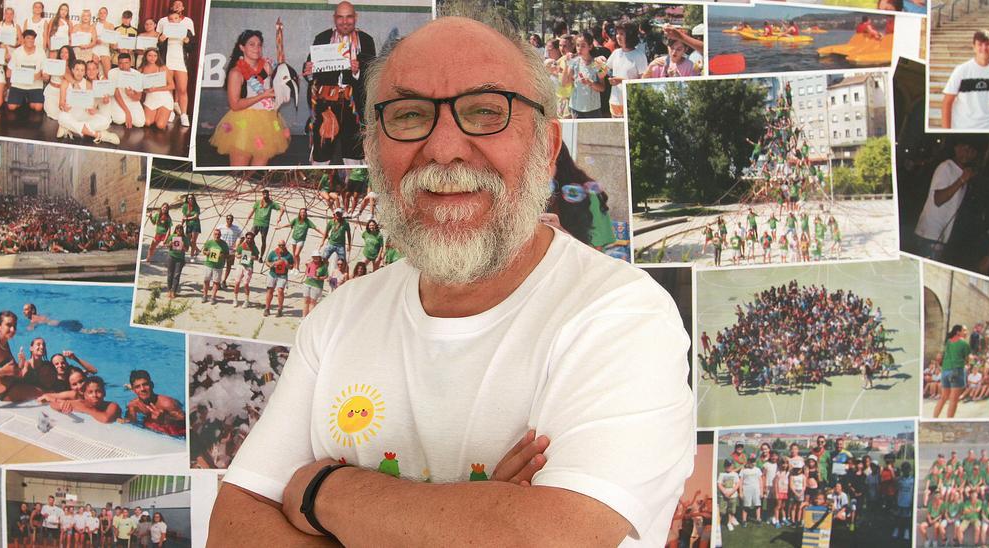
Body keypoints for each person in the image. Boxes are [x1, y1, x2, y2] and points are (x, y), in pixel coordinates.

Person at [209, 7, 693, 546]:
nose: (443, 148)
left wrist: (323, 492)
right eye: (410, 115)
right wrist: (479, 511)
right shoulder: (337, 318)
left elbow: (541, 541)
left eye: (487, 111)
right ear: (371, 150)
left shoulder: (622, 315)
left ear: (548, 147)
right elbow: (234, 528)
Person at [303, 2, 376, 165]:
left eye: (349, 17)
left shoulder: (366, 40)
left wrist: (358, 71)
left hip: (355, 107)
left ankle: (354, 189)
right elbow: (310, 70)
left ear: (355, 18)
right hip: (326, 106)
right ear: (334, 19)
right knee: (321, 153)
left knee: (355, 154)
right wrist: (308, 70)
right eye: (340, 17)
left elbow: (373, 73)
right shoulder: (322, 38)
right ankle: (320, 187)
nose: (345, 21)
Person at [210, 26, 291, 166]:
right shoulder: (236, 72)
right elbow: (234, 105)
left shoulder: (266, 66)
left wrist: (284, 87)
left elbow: (276, 89)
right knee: (239, 172)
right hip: (243, 123)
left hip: (267, 120)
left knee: (258, 170)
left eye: (259, 45)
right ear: (242, 47)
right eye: (251, 44)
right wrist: (262, 95)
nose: (256, 48)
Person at [913, 138, 978, 260]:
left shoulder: (964, 173)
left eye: (971, 151)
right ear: (956, 148)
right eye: (965, 148)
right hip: (930, 233)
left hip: (942, 235)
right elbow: (938, 199)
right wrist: (961, 180)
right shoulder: (946, 167)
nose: (967, 153)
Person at [942, 30, 989, 129]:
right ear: (973, 46)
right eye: (980, 44)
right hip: (964, 127)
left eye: (988, 44)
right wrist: (946, 132)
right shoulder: (961, 70)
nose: (984, 48)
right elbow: (947, 102)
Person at [56, 59, 122, 144]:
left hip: (84, 115)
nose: (79, 73)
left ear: (84, 72)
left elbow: (91, 105)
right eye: (77, 69)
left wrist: (92, 110)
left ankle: (70, 129)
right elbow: (60, 103)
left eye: (82, 70)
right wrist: (63, 107)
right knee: (62, 117)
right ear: (72, 70)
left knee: (105, 121)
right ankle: (99, 135)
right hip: (70, 113)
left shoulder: (88, 84)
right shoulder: (65, 82)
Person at [157, 0, 197, 126]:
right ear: (168, 20)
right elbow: (159, 47)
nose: (173, 20)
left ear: (180, 19)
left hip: (180, 61)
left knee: (182, 89)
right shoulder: (165, 30)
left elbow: (192, 48)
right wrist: (161, 41)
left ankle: (184, 114)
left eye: (176, 18)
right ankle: (170, 112)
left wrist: (186, 41)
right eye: (171, 19)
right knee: (169, 88)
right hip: (168, 61)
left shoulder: (186, 30)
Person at [125, 369, 187, 436]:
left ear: (152, 385)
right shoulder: (133, 405)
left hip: (174, 427)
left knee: (152, 425)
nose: (142, 389)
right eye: (137, 387)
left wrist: (165, 419)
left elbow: (186, 422)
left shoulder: (167, 404)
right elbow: (131, 425)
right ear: (134, 390)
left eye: (145, 384)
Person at [606, 22, 646, 117]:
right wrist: (597, 64)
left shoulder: (639, 56)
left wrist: (622, 81)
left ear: (630, 36)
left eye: (622, 34)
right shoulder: (615, 53)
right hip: (614, 102)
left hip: (630, 103)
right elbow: (603, 71)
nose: (618, 37)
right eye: (617, 33)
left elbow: (643, 83)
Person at [7, 29, 48, 114]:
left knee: (38, 107)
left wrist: (41, 76)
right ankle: (22, 99)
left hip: (35, 85)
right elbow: (9, 72)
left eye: (32, 38)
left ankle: (27, 99)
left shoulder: (41, 52)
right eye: (28, 38)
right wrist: (19, 76)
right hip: (19, 84)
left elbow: (44, 71)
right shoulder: (17, 52)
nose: (30, 40)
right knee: (11, 107)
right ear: (23, 39)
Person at [936, 325, 972, 418]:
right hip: (956, 371)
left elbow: (943, 355)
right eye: (963, 331)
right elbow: (968, 359)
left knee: (943, 398)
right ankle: (949, 420)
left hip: (945, 371)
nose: (965, 333)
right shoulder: (964, 344)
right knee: (953, 400)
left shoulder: (948, 342)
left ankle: (935, 417)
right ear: (958, 332)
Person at [138, 47, 177, 129]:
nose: (152, 58)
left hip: (164, 97)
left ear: (157, 57)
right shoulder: (141, 69)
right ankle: (159, 114)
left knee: (160, 125)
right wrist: (146, 90)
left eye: (155, 56)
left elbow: (172, 85)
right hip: (151, 97)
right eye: (150, 55)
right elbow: (139, 86)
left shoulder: (162, 67)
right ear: (145, 56)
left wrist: (156, 89)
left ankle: (167, 113)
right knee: (147, 122)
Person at [109, 53, 146, 128]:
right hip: (118, 99)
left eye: (126, 63)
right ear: (118, 64)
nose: (123, 66)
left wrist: (131, 95)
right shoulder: (112, 72)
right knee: (119, 120)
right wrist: (127, 112)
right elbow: (116, 95)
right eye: (120, 63)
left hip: (132, 100)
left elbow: (138, 97)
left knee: (140, 123)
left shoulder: (137, 74)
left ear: (130, 63)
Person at [262, 239, 295, 317]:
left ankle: (280, 309)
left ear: (285, 245)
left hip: (282, 275)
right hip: (273, 274)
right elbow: (267, 261)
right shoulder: (273, 253)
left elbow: (291, 267)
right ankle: (267, 308)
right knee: (270, 290)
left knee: (280, 291)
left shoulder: (289, 255)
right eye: (280, 245)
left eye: (283, 245)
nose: (281, 247)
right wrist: (271, 265)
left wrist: (287, 264)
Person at [202, 229, 230, 304]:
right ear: (213, 234)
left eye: (218, 234)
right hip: (209, 264)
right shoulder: (209, 242)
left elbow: (228, 255)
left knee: (216, 282)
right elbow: (204, 251)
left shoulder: (224, 244)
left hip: (218, 266)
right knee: (206, 280)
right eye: (216, 234)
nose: (217, 236)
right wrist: (206, 252)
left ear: (220, 235)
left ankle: (213, 297)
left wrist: (223, 255)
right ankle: (205, 295)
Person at [217, 214, 245, 284]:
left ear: (233, 220)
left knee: (228, 266)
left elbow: (242, 237)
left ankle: (224, 280)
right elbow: (215, 234)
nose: (229, 220)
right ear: (226, 219)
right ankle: (218, 280)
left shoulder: (236, 228)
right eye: (228, 219)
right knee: (220, 265)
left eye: (231, 219)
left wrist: (237, 246)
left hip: (231, 250)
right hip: (222, 250)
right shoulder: (221, 227)